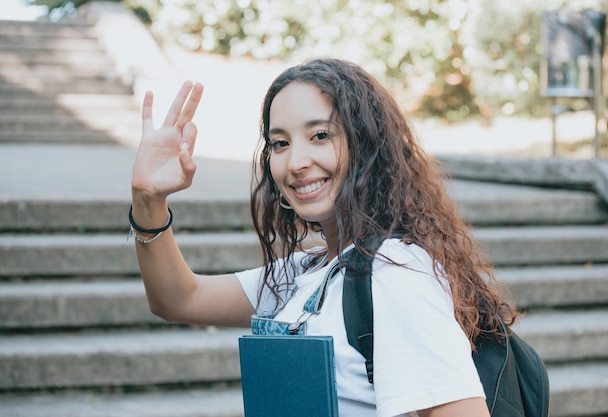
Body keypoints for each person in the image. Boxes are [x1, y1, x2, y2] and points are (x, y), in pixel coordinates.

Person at [130, 58, 518, 417]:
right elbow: (179, 298)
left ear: (367, 144)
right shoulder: (313, 270)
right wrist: (149, 201)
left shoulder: (394, 274)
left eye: (319, 135)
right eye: (279, 143)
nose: (295, 162)